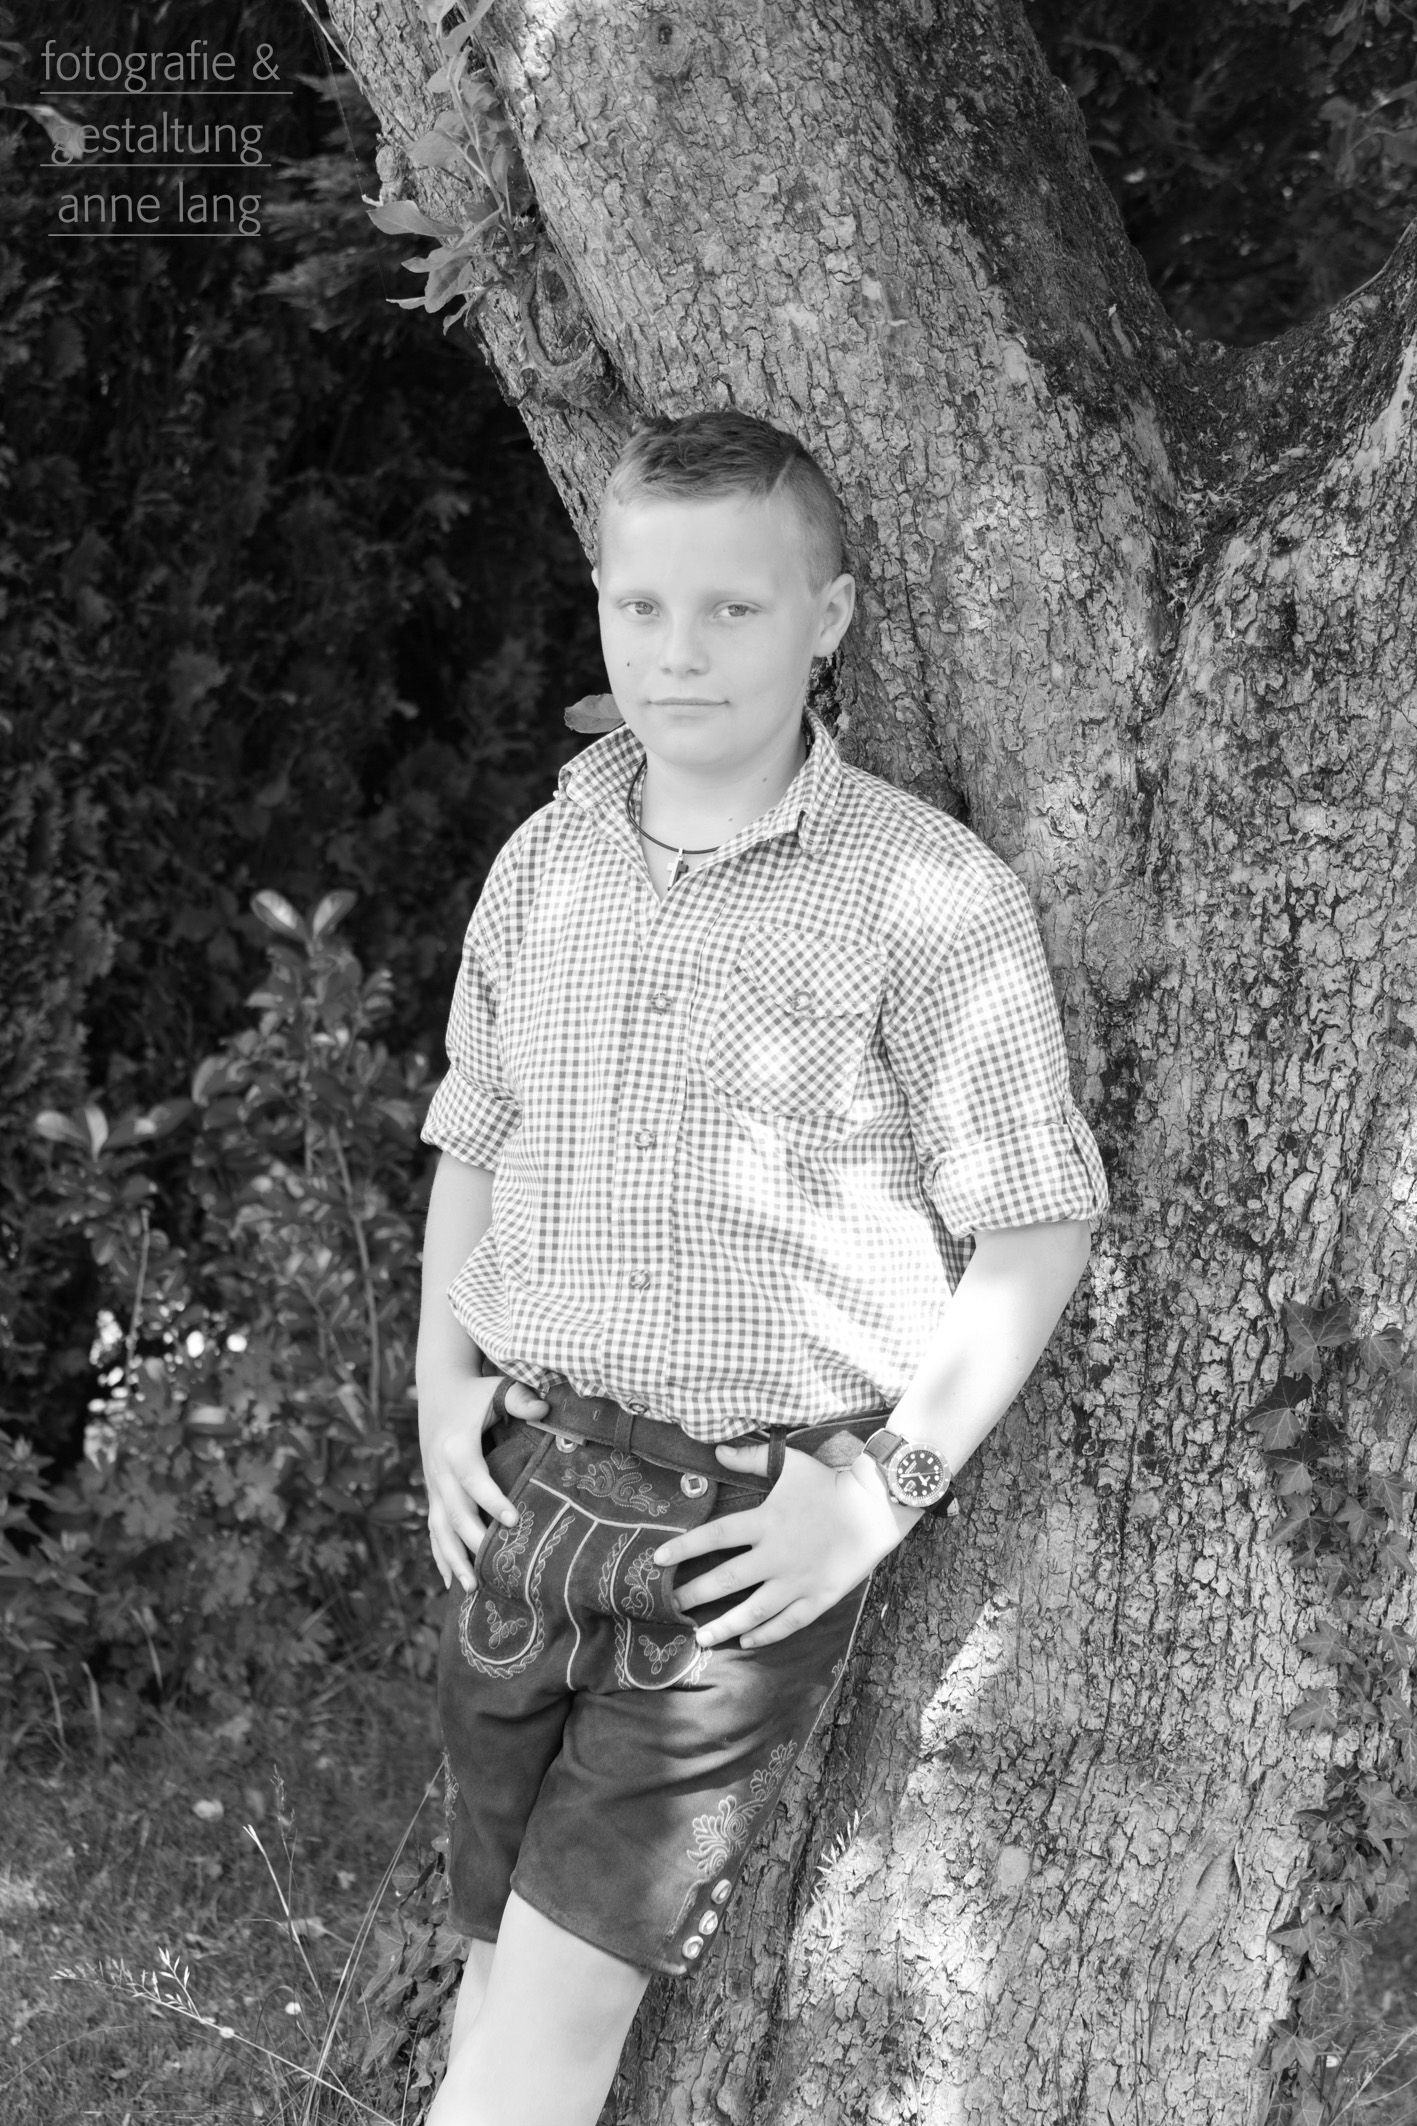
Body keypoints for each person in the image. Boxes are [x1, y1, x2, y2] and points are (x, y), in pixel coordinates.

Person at [415, 409, 1108, 2126]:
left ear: (829, 615)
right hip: (520, 1487)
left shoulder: (922, 895)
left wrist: (881, 1491)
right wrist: (436, 1390)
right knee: (493, 1966)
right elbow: (474, 1134)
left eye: (733, 607)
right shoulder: (542, 866)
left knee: (556, 2019)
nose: (680, 651)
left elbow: (1036, 1220)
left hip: (734, 1537)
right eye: (640, 605)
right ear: (597, 601)